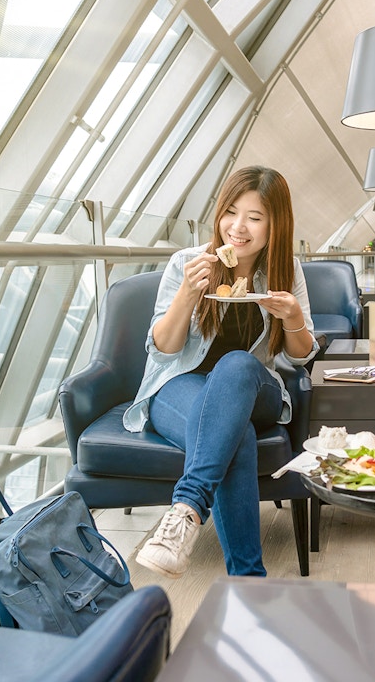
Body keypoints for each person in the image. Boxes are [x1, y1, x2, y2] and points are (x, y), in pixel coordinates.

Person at [126, 165, 317, 580]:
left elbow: (300, 356)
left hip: (255, 388)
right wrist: (187, 294)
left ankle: (188, 505)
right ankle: (247, 580)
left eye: (254, 217)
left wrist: (293, 317)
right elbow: (163, 349)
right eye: (230, 212)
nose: (238, 227)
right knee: (235, 434)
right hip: (178, 387)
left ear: (276, 224)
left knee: (237, 363)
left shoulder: (285, 270)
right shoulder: (187, 263)